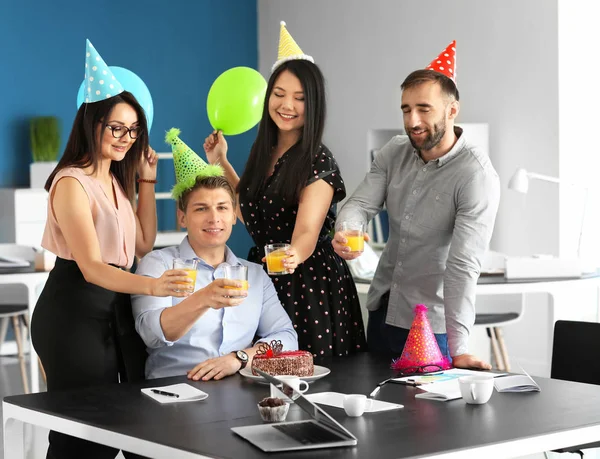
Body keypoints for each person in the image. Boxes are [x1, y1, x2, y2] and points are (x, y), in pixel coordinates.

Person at [30, 40, 190, 459]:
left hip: (113, 309)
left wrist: (146, 182)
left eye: (133, 129)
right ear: (92, 123)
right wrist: (153, 287)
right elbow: (92, 268)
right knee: (83, 431)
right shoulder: (70, 182)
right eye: (116, 127)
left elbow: (141, 243)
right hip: (73, 312)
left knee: (126, 422)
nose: (126, 137)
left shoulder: (115, 180)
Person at [333, 41, 501, 370]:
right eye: (406, 109)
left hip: (432, 325)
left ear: (452, 110)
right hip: (383, 310)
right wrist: (348, 229)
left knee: (430, 420)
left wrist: (460, 348)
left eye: (424, 108)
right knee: (377, 410)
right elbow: (358, 204)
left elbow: (463, 267)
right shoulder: (394, 151)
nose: (412, 120)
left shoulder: (475, 176)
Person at [203, 21, 366, 358]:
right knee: (258, 378)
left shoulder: (318, 160)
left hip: (309, 284)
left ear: (314, 104)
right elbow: (251, 214)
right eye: (278, 95)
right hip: (265, 277)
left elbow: (307, 231)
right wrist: (221, 162)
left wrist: (293, 255)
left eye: (299, 98)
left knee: (307, 378)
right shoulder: (262, 150)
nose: (286, 105)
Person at [132, 130, 297, 380]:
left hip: (239, 388)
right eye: (201, 209)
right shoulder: (157, 264)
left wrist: (239, 359)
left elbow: (286, 337)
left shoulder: (254, 274)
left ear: (233, 216)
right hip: (174, 389)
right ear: (182, 218)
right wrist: (203, 299)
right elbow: (152, 335)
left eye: (222, 207)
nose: (214, 218)